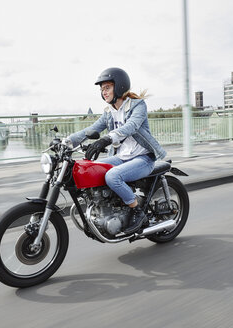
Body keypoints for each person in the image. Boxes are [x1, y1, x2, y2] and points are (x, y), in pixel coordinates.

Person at [67, 67, 166, 234]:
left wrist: (107, 138)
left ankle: (137, 211)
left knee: (113, 176)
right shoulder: (109, 112)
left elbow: (132, 126)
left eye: (107, 87)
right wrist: (67, 141)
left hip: (143, 159)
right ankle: (110, 207)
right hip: (121, 157)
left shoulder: (137, 105)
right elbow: (91, 129)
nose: (103, 92)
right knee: (92, 167)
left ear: (119, 86)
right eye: (102, 89)